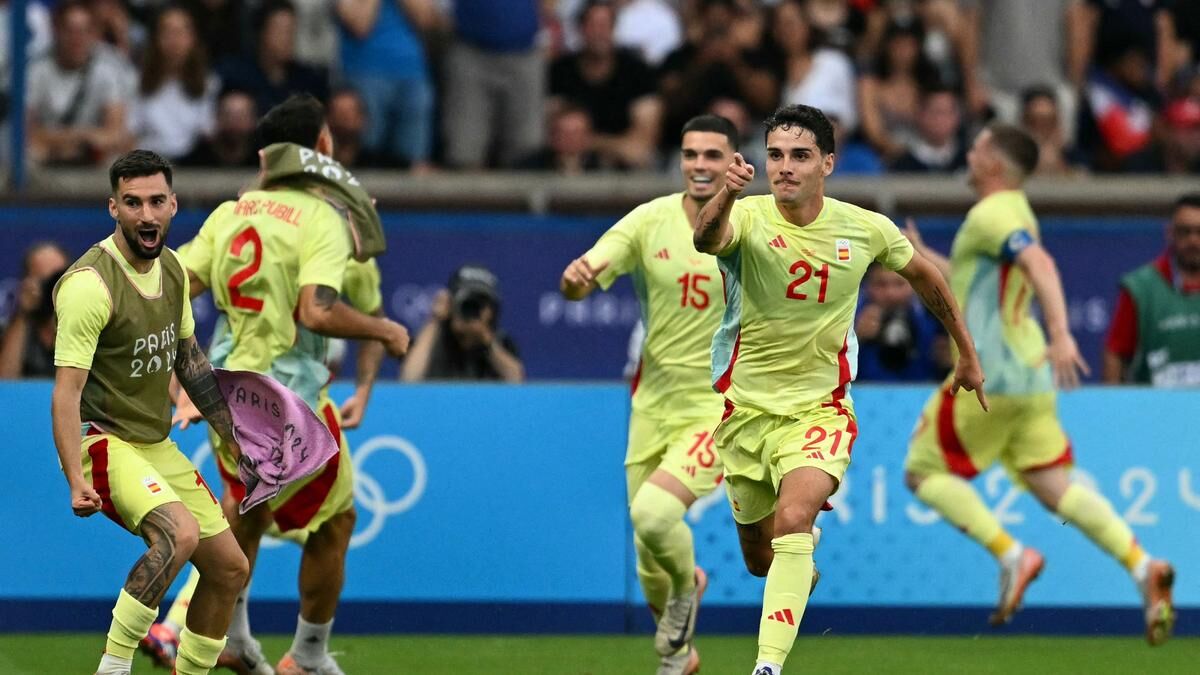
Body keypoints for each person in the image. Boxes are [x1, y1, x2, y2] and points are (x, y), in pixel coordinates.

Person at [692, 104, 986, 675]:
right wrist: (725, 192)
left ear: (827, 162)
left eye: (800, 156)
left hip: (819, 410)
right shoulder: (746, 215)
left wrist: (967, 353)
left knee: (793, 521)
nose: (785, 167)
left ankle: (767, 666)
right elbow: (706, 239)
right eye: (775, 155)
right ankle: (796, 568)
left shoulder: (865, 227)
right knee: (760, 560)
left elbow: (926, 275)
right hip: (745, 410)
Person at [903, 124, 1176, 645]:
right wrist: (922, 255)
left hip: (989, 376)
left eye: (977, 148)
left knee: (922, 473)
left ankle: (1012, 555)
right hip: (1030, 378)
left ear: (994, 164)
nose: (969, 153)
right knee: (1055, 485)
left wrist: (1061, 332)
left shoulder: (992, 213)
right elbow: (973, 282)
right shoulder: (1017, 211)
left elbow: (1041, 264)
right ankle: (1144, 567)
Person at [169, 94, 410, 675]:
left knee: (247, 511)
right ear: (323, 146)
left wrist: (176, 370)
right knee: (335, 522)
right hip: (287, 403)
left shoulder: (230, 214)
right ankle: (306, 657)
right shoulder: (324, 220)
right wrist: (386, 331)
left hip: (224, 397)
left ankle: (231, 638)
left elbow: (173, 285)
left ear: (264, 157)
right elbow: (319, 311)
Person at [51, 149, 249, 675]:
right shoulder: (89, 286)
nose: (147, 214)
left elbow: (190, 361)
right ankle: (113, 666)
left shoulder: (175, 270)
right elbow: (66, 392)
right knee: (179, 533)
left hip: (154, 444)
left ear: (173, 205)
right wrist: (75, 478)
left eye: (157, 201)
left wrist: (235, 438)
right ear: (113, 208)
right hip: (102, 440)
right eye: (133, 203)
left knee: (230, 568)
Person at [559, 114, 734, 675]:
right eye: (690, 154)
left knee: (656, 515)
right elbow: (585, 275)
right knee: (647, 555)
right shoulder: (649, 221)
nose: (700, 165)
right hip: (651, 405)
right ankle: (679, 658)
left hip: (717, 408)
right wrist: (577, 280)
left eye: (712, 155)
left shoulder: (752, 224)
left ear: (733, 163)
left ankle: (687, 589)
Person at [549, 0, 662, 169]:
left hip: (625, 165)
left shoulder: (637, 73)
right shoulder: (560, 72)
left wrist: (589, 141)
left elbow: (642, 145)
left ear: (614, 29)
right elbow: (557, 136)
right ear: (580, 29)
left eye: (604, 25)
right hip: (569, 164)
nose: (599, 32)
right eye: (592, 25)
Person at [1103, 193, 1200, 386]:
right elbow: (1116, 353)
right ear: (1169, 233)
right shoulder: (1141, 288)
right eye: (1184, 231)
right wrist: (1112, 401)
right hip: (1155, 402)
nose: (1193, 241)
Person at [26, 0, 134, 165]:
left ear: (93, 33)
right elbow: (26, 132)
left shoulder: (108, 68)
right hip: (48, 157)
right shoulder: (36, 70)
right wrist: (83, 137)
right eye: (70, 31)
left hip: (94, 159)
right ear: (56, 30)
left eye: (84, 31)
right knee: (30, 153)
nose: (77, 39)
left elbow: (115, 133)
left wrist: (64, 140)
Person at [401, 265, 524, 382]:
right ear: (451, 304)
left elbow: (517, 382)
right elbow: (409, 380)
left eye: (481, 303)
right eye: (467, 302)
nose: (472, 309)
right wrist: (434, 320)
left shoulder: (501, 342)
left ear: (492, 311)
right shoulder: (432, 339)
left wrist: (487, 343)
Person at [129, 5, 220, 161]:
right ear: (156, 38)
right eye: (167, 32)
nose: (174, 40)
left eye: (181, 32)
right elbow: (130, 133)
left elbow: (209, 134)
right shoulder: (137, 81)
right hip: (149, 163)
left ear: (193, 38)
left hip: (195, 166)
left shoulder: (211, 83)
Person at [855, 262, 952, 382]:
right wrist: (854, 339)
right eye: (881, 284)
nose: (891, 293)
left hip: (922, 390)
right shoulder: (848, 318)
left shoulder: (935, 317)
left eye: (899, 284)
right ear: (866, 286)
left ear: (913, 285)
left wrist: (948, 362)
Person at [0, 242, 69, 378]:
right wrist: (23, 314)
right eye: (44, 279)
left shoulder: (84, 322)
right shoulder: (10, 326)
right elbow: (5, 380)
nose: (52, 287)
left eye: (57, 278)